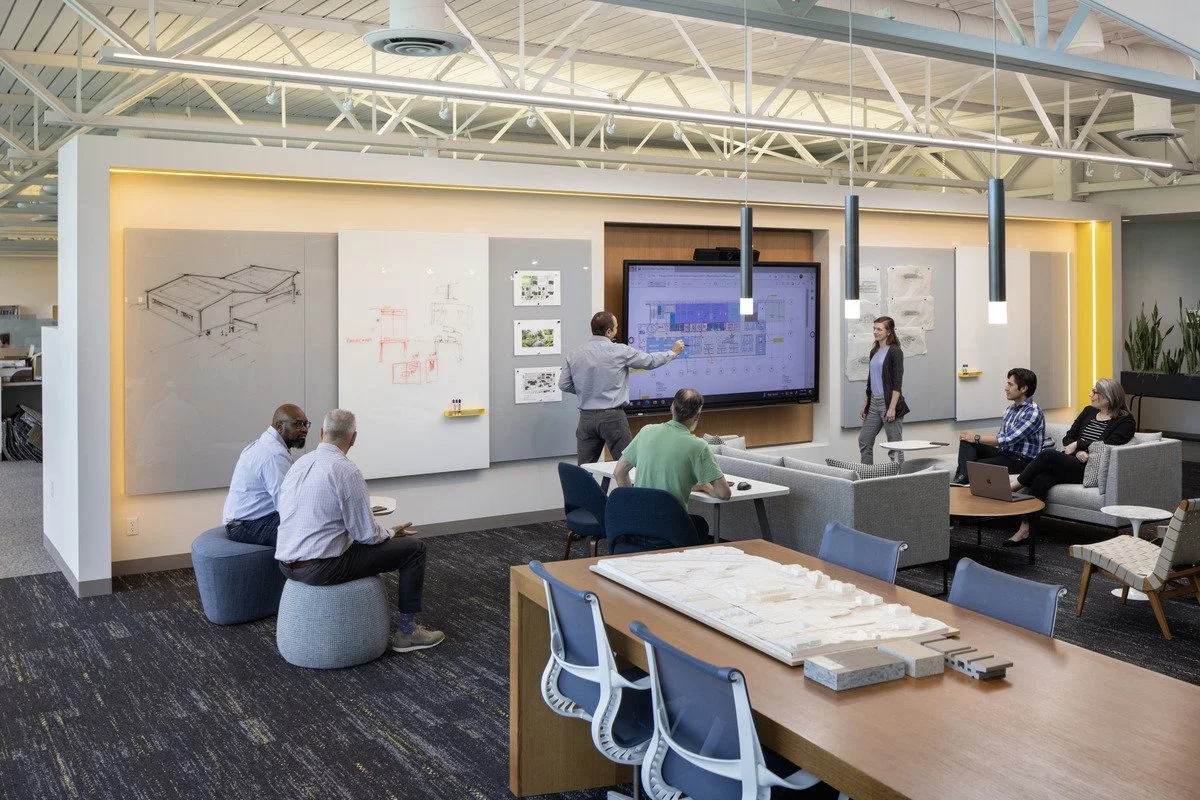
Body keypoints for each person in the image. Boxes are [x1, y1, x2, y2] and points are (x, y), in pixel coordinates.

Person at [275, 409, 443, 653]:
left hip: (285, 564)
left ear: (322, 433)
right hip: (321, 568)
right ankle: (408, 632)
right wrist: (391, 532)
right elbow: (367, 534)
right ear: (353, 438)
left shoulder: (299, 464)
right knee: (414, 550)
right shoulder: (346, 471)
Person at [1003, 377, 1136, 546]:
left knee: (1047, 455)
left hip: (1088, 467)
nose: (1090, 394)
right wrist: (1078, 448)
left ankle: (1013, 487)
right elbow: (1069, 436)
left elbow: (1110, 444)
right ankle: (1026, 530)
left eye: (1094, 392)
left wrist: (1078, 444)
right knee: (1041, 479)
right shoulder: (1089, 411)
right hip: (1072, 461)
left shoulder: (1125, 421)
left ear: (1107, 397)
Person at [559, 311, 684, 464]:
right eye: (616, 327)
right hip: (613, 418)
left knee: (584, 469)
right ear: (608, 331)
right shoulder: (620, 351)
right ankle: (626, 490)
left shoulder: (574, 354)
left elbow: (563, 384)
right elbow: (649, 361)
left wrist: (586, 390)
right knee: (628, 467)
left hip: (586, 418)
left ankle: (584, 489)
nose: (617, 330)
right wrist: (672, 352)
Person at [612, 388, 731, 542]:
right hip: (670, 532)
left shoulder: (646, 431)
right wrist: (704, 487)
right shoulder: (698, 446)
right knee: (701, 526)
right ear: (697, 416)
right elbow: (724, 493)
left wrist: (635, 506)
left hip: (637, 528)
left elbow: (619, 472)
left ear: (671, 408)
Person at [222, 403, 310, 547]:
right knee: (313, 530)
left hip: (249, 521)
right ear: (279, 426)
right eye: (298, 424)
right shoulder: (274, 454)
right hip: (247, 526)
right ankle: (301, 569)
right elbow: (287, 504)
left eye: (306, 424)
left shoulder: (269, 445)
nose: (305, 430)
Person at [954, 368, 1045, 484]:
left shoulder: (1033, 412)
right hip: (1005, 454)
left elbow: (1008, 439)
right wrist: (971, 438)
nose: (1006, 388)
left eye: (1010, 385)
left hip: (1022, 461)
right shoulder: (1010, 410)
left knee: (974, 466)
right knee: (967, 440)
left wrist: (976, 437)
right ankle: (962, 477)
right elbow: (1001, 438)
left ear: (1023, 388)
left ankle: (960, 480)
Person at [858, 316, 910, 464]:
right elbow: (871, 380)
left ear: (888, 332)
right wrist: (865, 403)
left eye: (879, 329)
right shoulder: (874, 351)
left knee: (895, 446)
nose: (875, 331)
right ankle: (867, 477)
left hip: (889, 403)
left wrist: (892, 408)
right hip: (874, 402)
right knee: (864, 440)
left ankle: (898, 480)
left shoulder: (895, 352)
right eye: (874, 328)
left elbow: (897, 383)